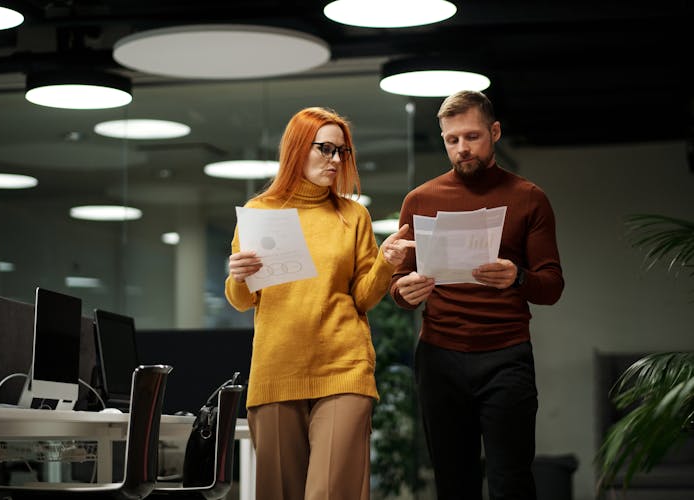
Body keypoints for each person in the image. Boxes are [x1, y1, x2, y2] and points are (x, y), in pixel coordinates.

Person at [225, 106, 414, 500]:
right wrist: (238, 276)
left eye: (342, 152)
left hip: (343, 368)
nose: (335, 160)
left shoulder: (353, 215)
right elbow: (242, 301)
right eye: (325, 149)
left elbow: (362, 296)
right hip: (277, 370)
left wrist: (385, 263)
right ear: (297, 149)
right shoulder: (260, 213)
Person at [390, 90, 564, 500]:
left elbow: (552, 285)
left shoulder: (529, 198)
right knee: (453, 484)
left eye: (472, 137)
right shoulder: (420, 200)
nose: (462, 149)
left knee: (512, 482)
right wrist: (404, 292)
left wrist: (517, 277)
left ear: (495, 132)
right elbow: (398, 283)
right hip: (439, 357)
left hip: (506, 355)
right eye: (452, 140)